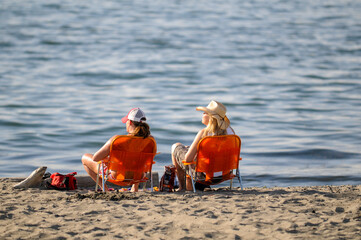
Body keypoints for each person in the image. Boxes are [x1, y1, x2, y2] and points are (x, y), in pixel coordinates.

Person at [81, 108, 152, 192]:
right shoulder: (150, 140)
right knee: (137, 161)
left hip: (117, 177)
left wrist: (109, 160)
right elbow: (146, 161)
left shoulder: (117, 139)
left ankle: (105, 189)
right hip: (138, 177)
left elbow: (95, 158)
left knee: (85, 158)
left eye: (126, 122)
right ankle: (134, 188)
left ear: (130, 122)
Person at [171, 100, 236, 191]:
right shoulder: (231, 132)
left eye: (204, 112)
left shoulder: (204, 133)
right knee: (189, 149)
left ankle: (182, 187)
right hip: (225, 174)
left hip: (204, 176)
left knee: (176, 147)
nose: (202, 114)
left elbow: (188, 159)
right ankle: (189, 185)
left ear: (211, 117)